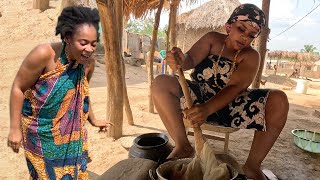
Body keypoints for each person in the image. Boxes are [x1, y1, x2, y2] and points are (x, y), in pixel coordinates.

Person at [151, 4, 288, 180]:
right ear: (229, 25)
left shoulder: (251, 56)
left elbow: (235, 87)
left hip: (233, 107)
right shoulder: (212, 39)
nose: (245, 37)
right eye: (241, 29)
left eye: (251, 35)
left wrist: (207, 109)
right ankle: (183, 145)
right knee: (161, 82)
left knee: (279, 100)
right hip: (198, 99)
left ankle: (252, 166)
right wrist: (179, 60)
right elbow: (190, 59)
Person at [7, 6, 111, 179]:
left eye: (93, 44)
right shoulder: (44, 54)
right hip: (41, 134)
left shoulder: (88, 63)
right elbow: (18, 88)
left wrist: (93, 120)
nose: (89, 49)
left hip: (73, 135)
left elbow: (80, 95)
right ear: (68, 38)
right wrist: (14, 129)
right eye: (83, 43)